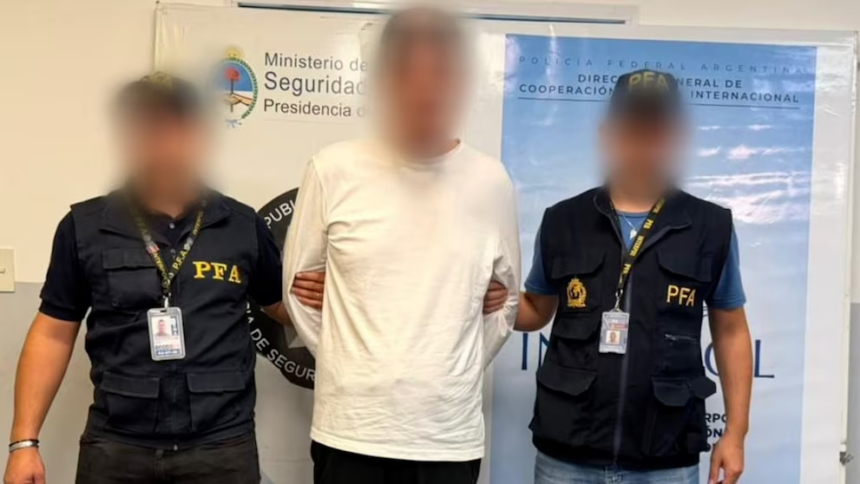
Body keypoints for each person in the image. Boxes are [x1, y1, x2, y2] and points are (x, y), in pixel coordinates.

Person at [3, 73, 324, 484]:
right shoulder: (85, 227)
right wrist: (23, 443)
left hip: (221, 449)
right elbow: (52, 334)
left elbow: (279, 305)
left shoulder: (242, 225)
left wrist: (336, 298)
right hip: (117, 447)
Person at [283, 7, 520, 484]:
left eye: (439, 72)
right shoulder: (332, 169)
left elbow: (504, 304)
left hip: (447, 436)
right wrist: (351, 363)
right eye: (408, 71)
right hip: (351, 431)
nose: (424, 88)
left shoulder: (490, 180)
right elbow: (299, 291)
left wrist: (450, 371)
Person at [513, 70, 753, 484]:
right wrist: (485, 293)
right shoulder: (563, 220)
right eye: (631, 129)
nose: (643, 142)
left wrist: (736, 433)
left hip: (665, 459)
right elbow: (536, 310)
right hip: (567, 457)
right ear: (608, 134)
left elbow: (731, 331)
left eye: (655, 131)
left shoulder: (710, 226)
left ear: (676, 137)